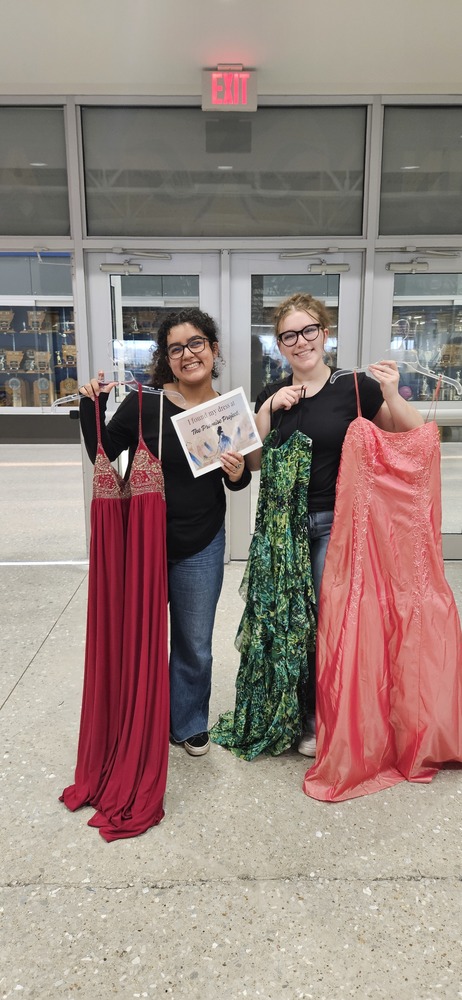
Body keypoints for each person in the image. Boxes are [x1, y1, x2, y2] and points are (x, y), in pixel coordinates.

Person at [245, 292, 424, 758]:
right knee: (293, 625)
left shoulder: (355, 386)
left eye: (309, 331)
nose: (300, 342)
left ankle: (327, 717)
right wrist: (267, 412)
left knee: (330, 623)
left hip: (335, 525)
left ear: (325, 334)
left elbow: (409, 433)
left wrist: (390, 391)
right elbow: (255, 462)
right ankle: (300, 714)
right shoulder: (270, 393)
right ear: (279, 344)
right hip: (283, 531)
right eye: (289, 335)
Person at [79, 307, 251, 758]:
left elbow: (239, 481)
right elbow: (102, 449)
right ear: (166, 358)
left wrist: (234, 474)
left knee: (194, 642)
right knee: (141, 635)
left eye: (196, 343)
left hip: (203, 541)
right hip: (145, 543)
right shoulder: (145, 403)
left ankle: (188, 721)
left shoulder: (228, 409)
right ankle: (139, 718)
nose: (188, 354)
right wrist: (90, 403)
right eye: (176, 348)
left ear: (213, 350)